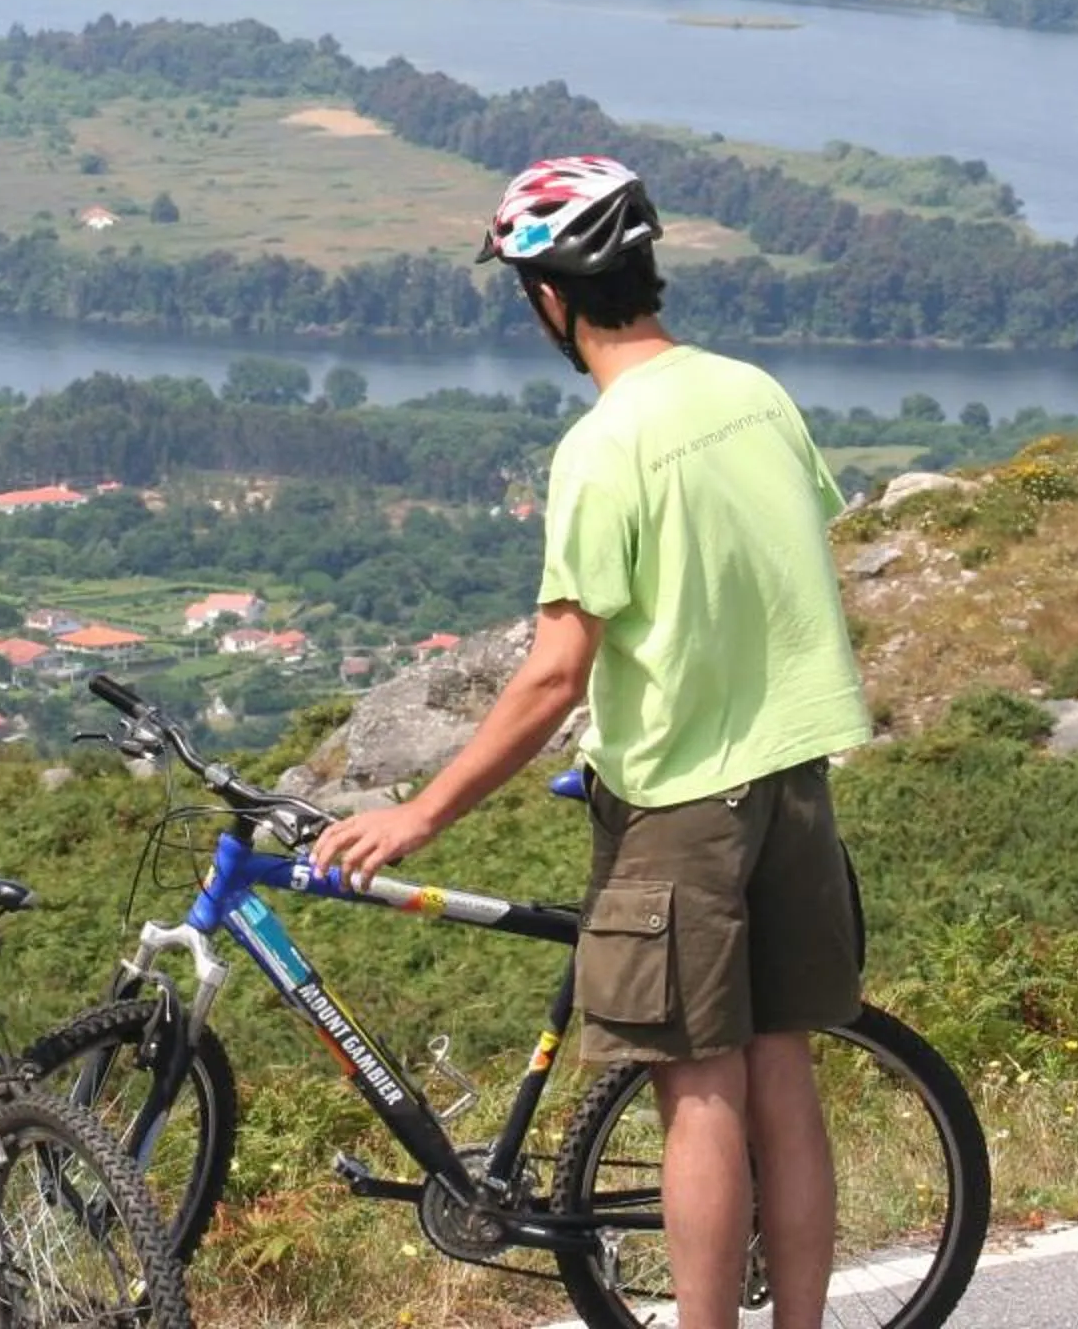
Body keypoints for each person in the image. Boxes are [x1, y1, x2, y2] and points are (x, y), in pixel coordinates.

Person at [310, 154, 872, 1329]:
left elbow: (557, 667)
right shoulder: (755, 392)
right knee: (784, 1077)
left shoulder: (606, 445)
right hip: (797, 783)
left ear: (550, 295)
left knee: (700, 1100)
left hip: (683, 802)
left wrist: (418, 813)